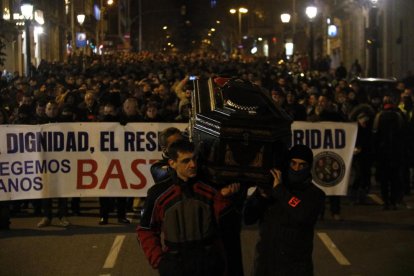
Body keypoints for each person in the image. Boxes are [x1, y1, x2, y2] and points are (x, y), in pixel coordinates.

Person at [137, 139, 240, 276]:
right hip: (175, 263)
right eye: (186, 161)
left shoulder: (211, 189)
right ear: (172, 163)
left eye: (194, 159)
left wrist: (225, 199)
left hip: (208, 262)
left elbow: (227, 226)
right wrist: (159, 261)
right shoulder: (158, 193)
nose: (193, 165)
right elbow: (146, 230)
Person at [243, 144, 325, 276]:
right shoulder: (272, 188)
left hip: (295, 268)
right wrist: (260, 197)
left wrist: (280, 191)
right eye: (293, 163)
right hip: (265, 265)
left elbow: (303, 214)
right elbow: (248, 218)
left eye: (302, 165)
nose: (296, 168)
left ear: (309, 167)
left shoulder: (315, 194)